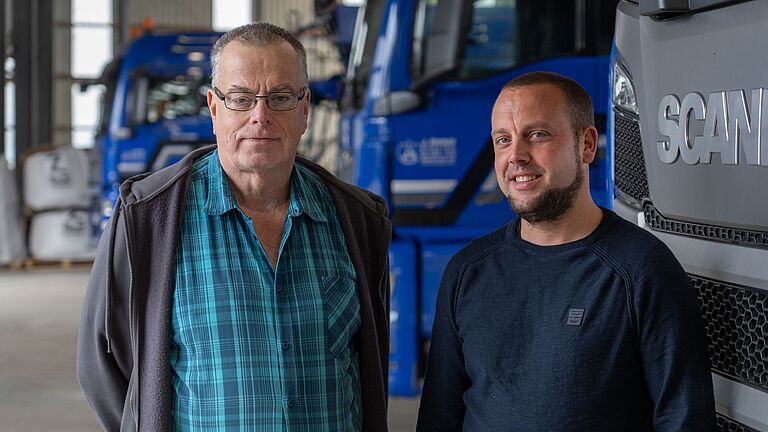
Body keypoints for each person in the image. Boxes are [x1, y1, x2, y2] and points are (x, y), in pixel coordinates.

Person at [77, 22, 392, 432]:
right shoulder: (147, 218)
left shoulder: (358, 219)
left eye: (280, 98)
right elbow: (101, 364)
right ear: (213, 107)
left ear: (305, 109)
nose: (259, 117)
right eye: (241, 99)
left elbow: (369, 361)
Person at [416, 72, 715, 431]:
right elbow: (438, 418)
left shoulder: (643, 270)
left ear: (587, 144)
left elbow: (684, 420)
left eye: (537, 135)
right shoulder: (467, 271)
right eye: (503, 139)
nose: (516, 156)